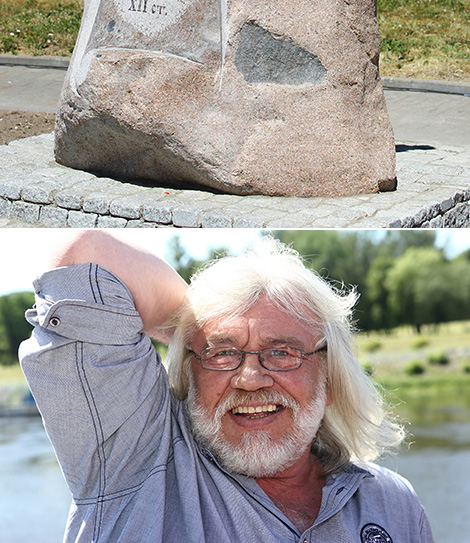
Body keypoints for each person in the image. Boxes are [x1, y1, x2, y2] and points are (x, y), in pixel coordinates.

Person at [20, 232, 435, 542]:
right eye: (221, 354)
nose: (250, 379)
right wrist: (191, 326)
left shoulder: (393, 501)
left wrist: (211, 337)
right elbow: (82, 256)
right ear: (189, 373)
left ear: (328, 377)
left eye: (282, 352)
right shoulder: (134, 459)